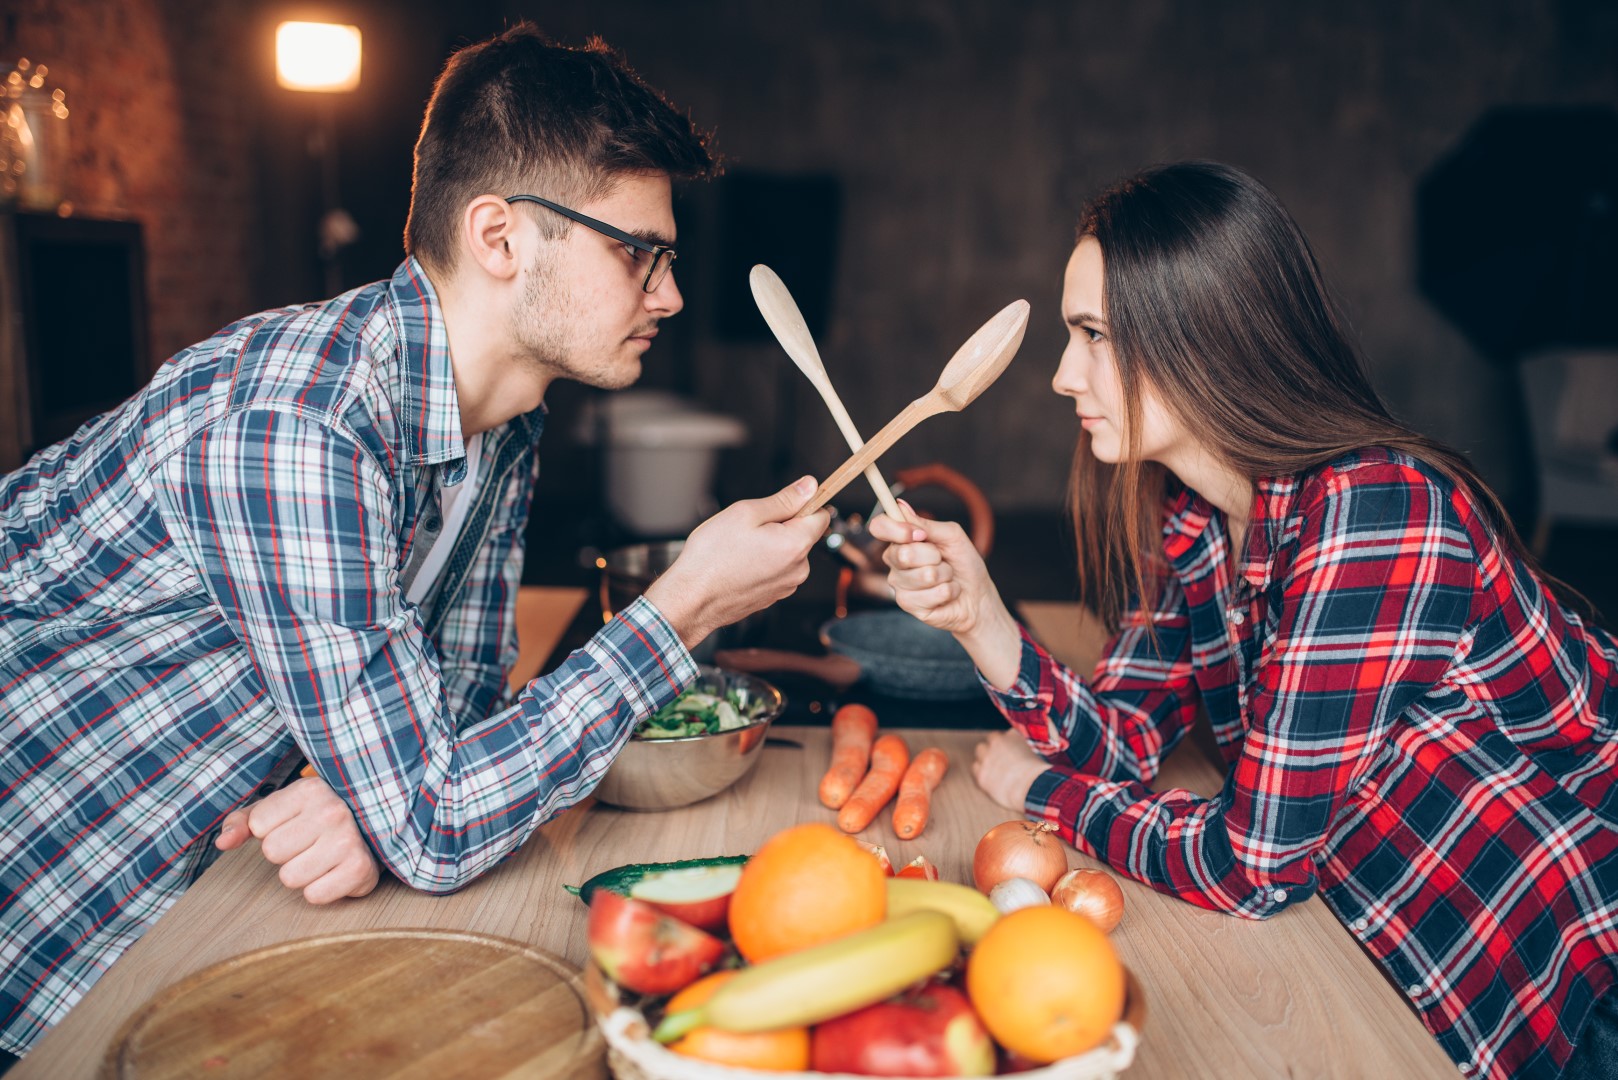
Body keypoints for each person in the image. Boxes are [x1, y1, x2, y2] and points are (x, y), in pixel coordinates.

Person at [0, 24, 828, 1062]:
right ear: (499, 238)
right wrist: (685, 606)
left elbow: (458, 708)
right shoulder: (298, 427)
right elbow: (436, 821)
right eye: (637, 253)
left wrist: (368, 802)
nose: (664, 293)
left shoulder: (504, 420)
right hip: (62, 934)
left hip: (226, 892)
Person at [870, 161, 1618, 1080]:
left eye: (1094, 334)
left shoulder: (1375, 512)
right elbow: (1126, 743)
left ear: (1205, 338)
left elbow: (1252, 866)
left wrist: (1042, 796)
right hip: (1386, 964)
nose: (1064, 376)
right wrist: (979, 617)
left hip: (1562, 990)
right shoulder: (1192, 515)